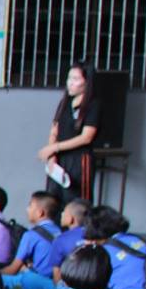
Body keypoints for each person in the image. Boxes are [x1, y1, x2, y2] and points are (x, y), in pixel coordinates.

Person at [40, 61, 101, 198]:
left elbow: (86, 137)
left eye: (76, 79)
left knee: (77, 201)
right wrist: (52, 155)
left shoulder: (93, 104)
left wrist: (55, 147)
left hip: (79, 159)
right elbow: (54, 130)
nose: (70, 83)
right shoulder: (65, 102)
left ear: (87, 82)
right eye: (69, 78)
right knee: (53, 199)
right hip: (59, 159)